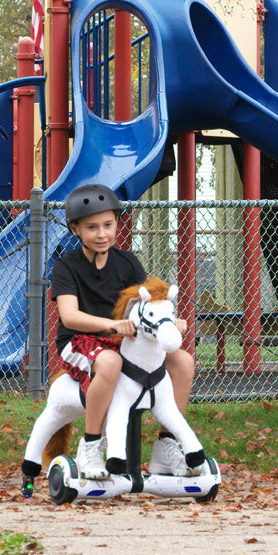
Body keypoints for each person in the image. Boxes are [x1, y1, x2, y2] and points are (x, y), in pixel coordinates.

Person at [45, 182, 196, 480]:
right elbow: (70, 316)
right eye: (91, 227)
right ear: (75, 230)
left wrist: (171, 321)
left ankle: (165, 448)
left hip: (124, 342)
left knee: (183, 361)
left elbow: (151, 302)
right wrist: (112, 325)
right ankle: (91, 447)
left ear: (117, 224)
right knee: (110, 362)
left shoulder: (127, 262)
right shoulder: (66, 266)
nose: (101, 234)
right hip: (79, 342)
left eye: (108, 225)